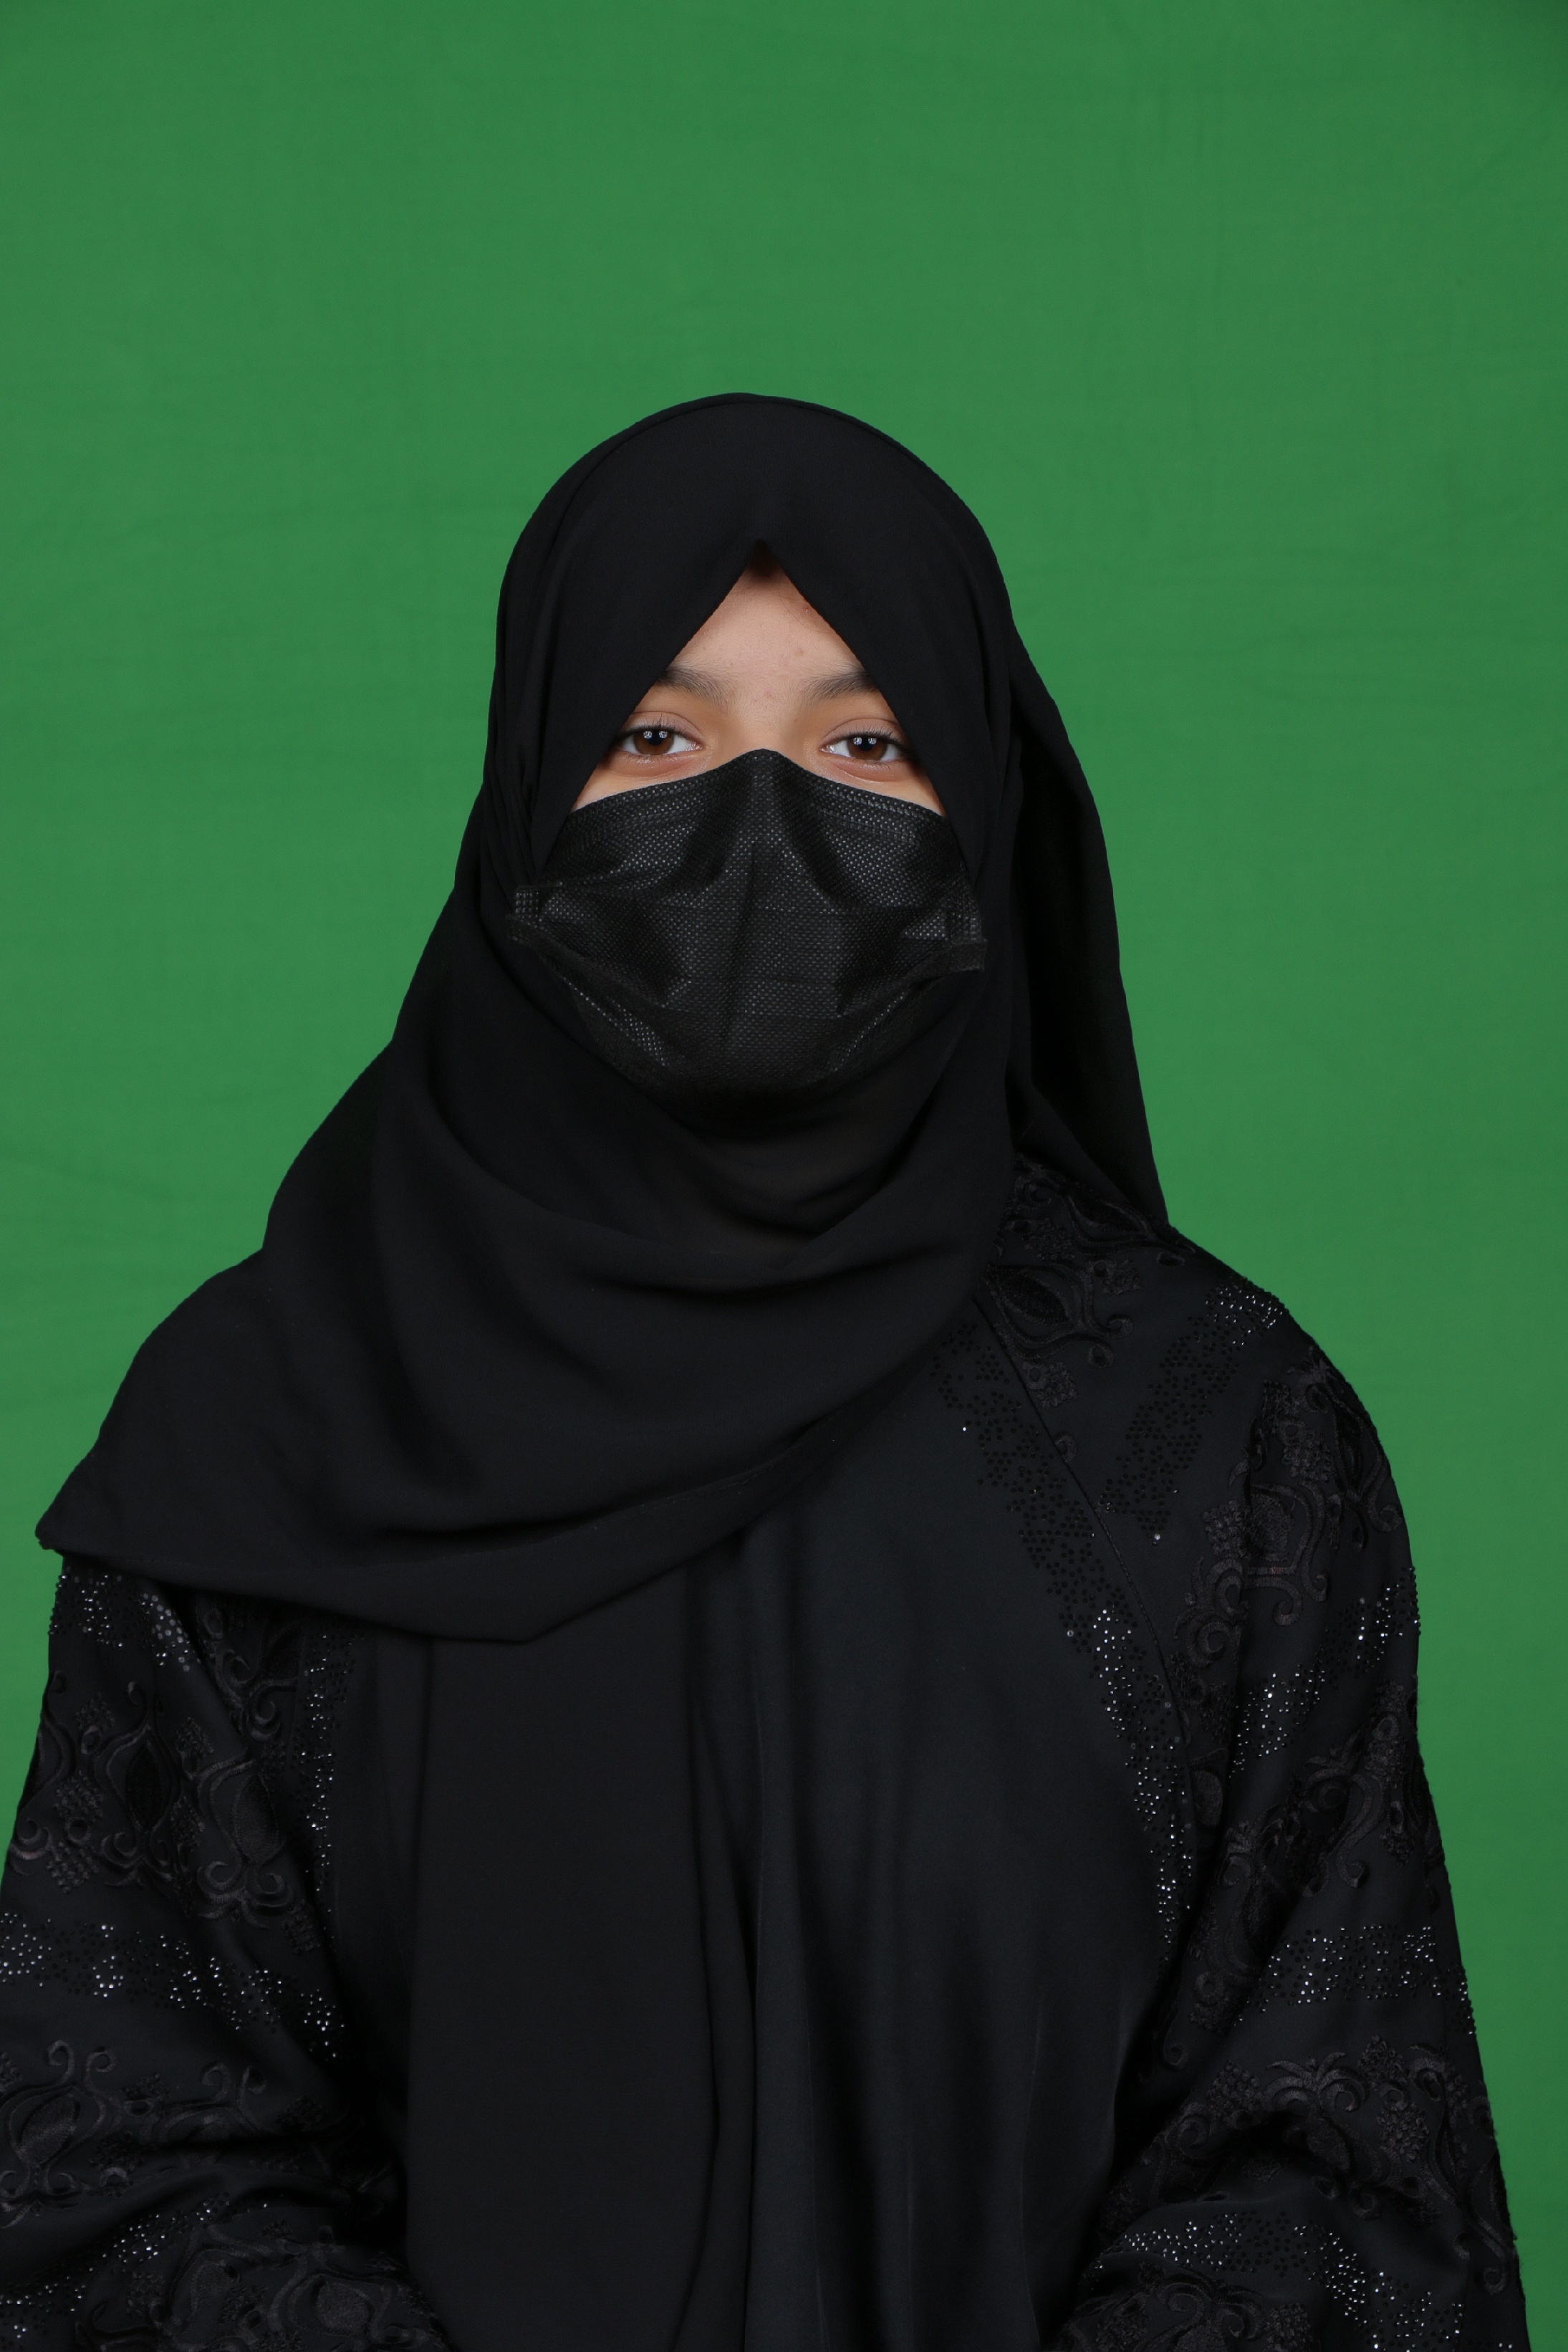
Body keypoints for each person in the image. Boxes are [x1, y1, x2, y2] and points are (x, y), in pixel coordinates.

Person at [0, 398, 1527, 2352]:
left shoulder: (1213, 1434)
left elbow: (1335, 2162)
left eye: (864, 744)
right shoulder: (271, 1432)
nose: (758, 824)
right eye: (658, 737)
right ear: (525, 790)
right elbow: (113, 2170)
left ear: (985, 807)